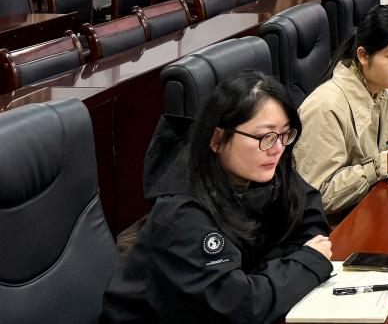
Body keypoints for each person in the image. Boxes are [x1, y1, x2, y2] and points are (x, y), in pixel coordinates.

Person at [101, 71, 333, 324]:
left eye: (285, 134)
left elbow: (309, 216)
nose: (277, 148)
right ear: (217, 139)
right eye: (265, 136)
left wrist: (271, 273)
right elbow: (235, 306)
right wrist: (303, 264)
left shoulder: (264, 165)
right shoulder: (181, 212)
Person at [294, 6, 388, 220]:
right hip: (334, 227)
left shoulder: (380, 88)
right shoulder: (326, 107)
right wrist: (383, 165)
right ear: (363, 55)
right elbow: (317, 196)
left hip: (366, 208)